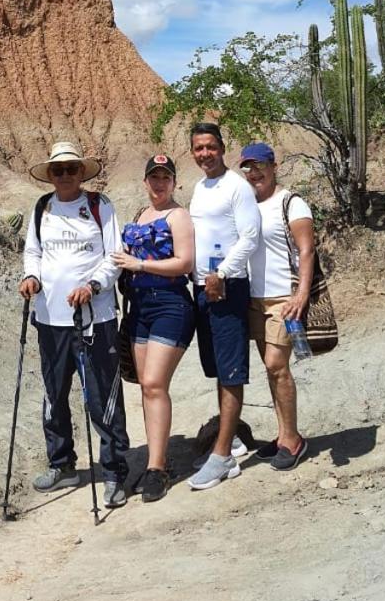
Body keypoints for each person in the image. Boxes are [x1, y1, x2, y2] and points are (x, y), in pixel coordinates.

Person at [19, 141, 130, 508]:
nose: (65, 174)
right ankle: (62, 463)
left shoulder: (100, 206)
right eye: (58, 169)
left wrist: (93, 285)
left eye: (71, 168)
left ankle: (114, 471)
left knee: (102, 396)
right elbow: (33, 252)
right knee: (54, 394)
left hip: (94, 318)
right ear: (50, 174)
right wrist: (31, 277)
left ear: (82, 172)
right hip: (50, 318)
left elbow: (115, 257)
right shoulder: (42, 207)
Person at [112, 152, 195, 503]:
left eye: (166, 177)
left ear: (174, 181)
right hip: (140, 308)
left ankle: (158, 468)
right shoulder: (139, 215)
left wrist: (140, 265)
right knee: (146, 388)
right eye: (154, 177)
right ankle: (153, 462)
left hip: (170, 305)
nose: (160, 183)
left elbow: (185, 263)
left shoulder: (179, 216)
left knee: (154, 383)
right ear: (145, 181)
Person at [187, 122, 262, 490]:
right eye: (199, 148)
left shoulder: (237, 187)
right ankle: (228, 440)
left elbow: (250, 237)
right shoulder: (199, 188)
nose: (205, 154)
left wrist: (222, 273)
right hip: (203, 287)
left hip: (227, 287)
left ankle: (222, 458)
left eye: (211, 147)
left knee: (231, 370)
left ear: (222, 147)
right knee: (218, 366)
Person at [239, 142, 313, 470]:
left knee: (276, 365)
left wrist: (301, 294)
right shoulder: (247, 205)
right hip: (255, 299)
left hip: (284, 298)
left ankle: (294, 439)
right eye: (248, 167)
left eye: (259, 166)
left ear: (273, 166)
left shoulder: (291, 203)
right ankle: (283, 435)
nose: (254, 173)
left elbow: (307, 250)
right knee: (271, 370)